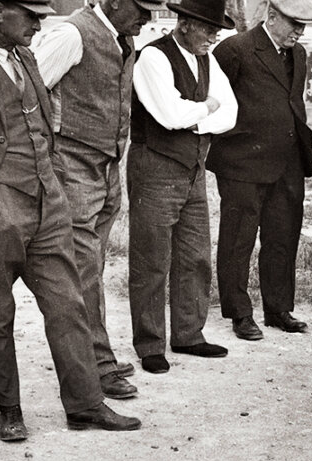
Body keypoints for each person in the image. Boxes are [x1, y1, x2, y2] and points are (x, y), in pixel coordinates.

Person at [0, 0, 141, 440]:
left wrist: (51, 183)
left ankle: (86, 404)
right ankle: (8, 408)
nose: (40, 22)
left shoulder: (27, 57)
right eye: (31, 14)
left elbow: (42, 131)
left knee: (69, 305)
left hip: (49, 206)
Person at [33, 0, 165, 400]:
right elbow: (24, 92)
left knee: (93, 266)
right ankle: (97, 366)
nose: (150, 16)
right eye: (142, 6)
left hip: (106, 170)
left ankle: (92, 355)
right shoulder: (72, 34)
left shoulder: (122, 38)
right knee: (81, 271)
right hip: (71, 170)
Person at [128, 0, 237, 374]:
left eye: (217, 29)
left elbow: (231, 112)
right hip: (155, 168)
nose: (214, 36)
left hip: (192, 169)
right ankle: (150, 343)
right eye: (208, 28)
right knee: (151, 258)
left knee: (195, 255)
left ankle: (188, 334)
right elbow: (169, 116)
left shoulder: (208, 59)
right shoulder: (153, 58)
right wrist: (207, 107)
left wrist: (197, 118)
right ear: (186, 23)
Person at [206, 0, 312, 341]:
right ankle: (240, 313)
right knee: (238, 239)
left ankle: (278, 309)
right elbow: (211, 101)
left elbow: (292, 102)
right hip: (243, 163)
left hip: (288, 163)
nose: (299, 32)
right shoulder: (235, 49)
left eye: (304, 25)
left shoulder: (297, 55)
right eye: (293, 23)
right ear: (271, 16)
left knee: (283, 237)